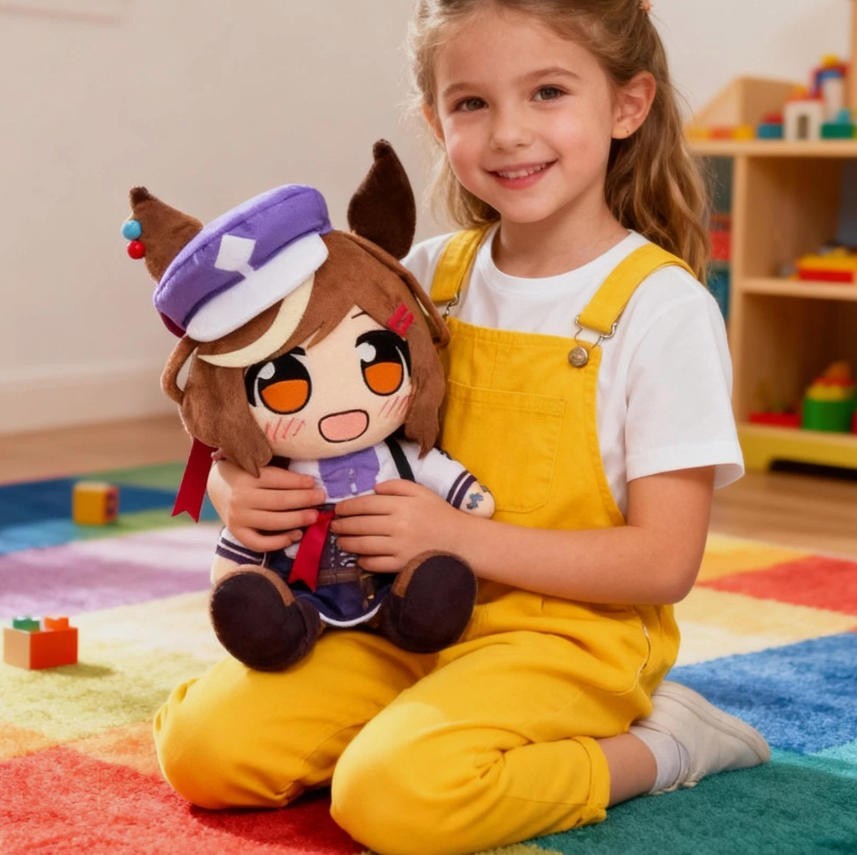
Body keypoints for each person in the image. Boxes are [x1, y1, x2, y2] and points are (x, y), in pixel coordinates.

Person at [153, 2, 770, 853]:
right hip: (385, 614)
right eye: (471, 102)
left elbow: (664, 563)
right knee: (203, 752)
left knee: (395, 798)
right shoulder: (417, 276)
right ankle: (408, 728)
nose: (508, 132)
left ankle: (661, 744)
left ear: (627, 105)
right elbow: (285, 413)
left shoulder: (662, 309)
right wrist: (237, 488)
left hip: (564, 638)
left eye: (547, 91)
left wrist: (457, 538)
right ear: (435, 121)